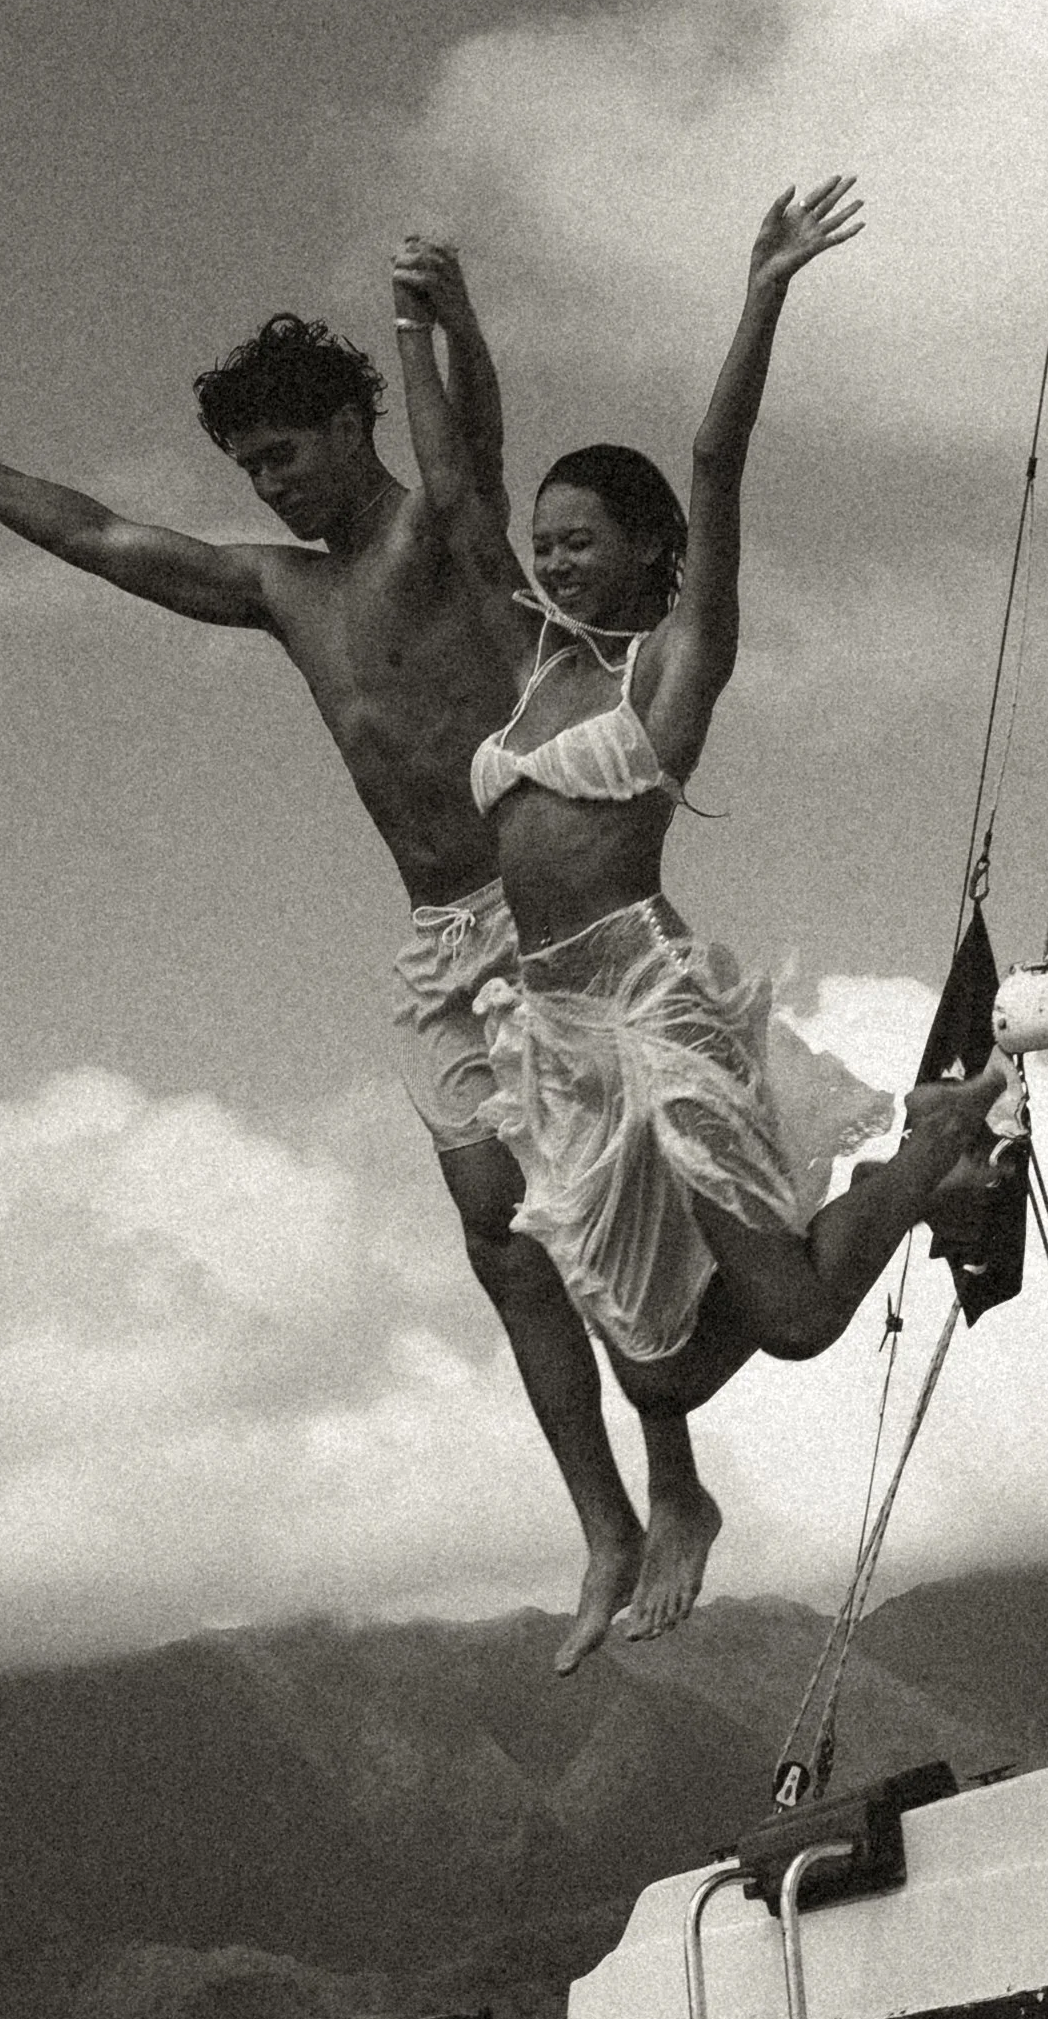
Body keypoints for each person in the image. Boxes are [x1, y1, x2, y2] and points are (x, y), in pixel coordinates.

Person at [0, 290, 723, 1675]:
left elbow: (473, 454)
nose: (268, 485)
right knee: (499, 1248)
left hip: (537, 905)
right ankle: (602, 1524)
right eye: (249, 467)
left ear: (347, 425)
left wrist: (442, 324)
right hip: (436, 940)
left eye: (285, 455)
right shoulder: (281, 590)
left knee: (590, 1204)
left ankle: (675, 1491)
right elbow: (104, 537)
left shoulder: (440, 538)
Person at [391, 181, 1011, 1443]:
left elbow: (715, 461)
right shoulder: (531, 666)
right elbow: (458, 501)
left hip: (648, 995)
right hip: (555, 1026)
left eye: (578, 541)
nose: (552, 560)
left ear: (642, 549)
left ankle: (930, 1148)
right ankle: (909, 1178)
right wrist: (428, 327)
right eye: (546, 541)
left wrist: (762, 292)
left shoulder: (672, 663)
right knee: (661, 1376)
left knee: (786, 1317)